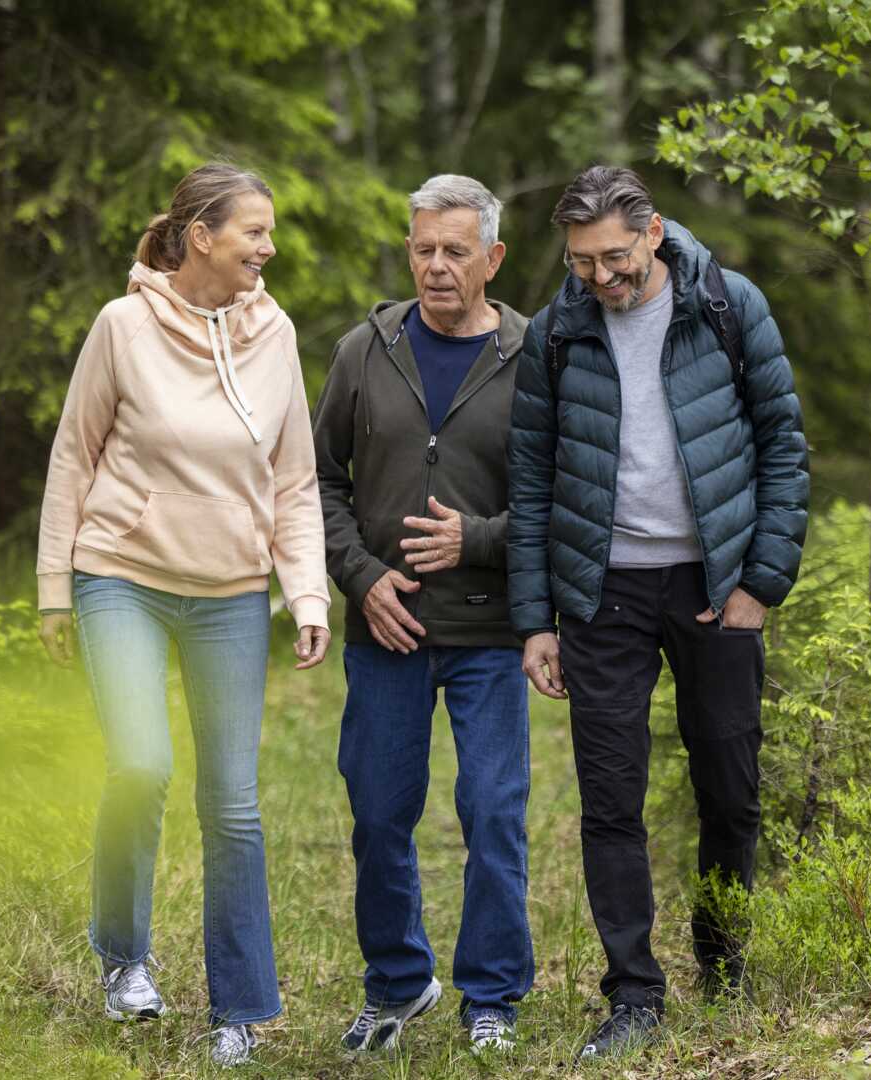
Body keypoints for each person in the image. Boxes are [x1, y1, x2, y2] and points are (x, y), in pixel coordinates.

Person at [506, 165, 809, 1060]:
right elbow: (529, 480)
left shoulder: (726, 303)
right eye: (582, 261)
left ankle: (725, 966)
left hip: (715, 587)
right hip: (601, 593)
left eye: (615, 258)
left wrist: (760, 584)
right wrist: (536, 619)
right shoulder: (558, 330)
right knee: (610, 798)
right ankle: (633, 994)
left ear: (654, 232)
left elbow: (783, 444)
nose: (602, 278)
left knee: (729, 788)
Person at [34, 162, 332, 1069]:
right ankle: (124, 958)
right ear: (200, 235)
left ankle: (237, 1011)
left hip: (231, 591)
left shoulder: (274, 332)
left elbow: (294, 479)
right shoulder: (123, 326)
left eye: (269, 233)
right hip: (120, 573)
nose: (268, 248)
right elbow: (73, 455)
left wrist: (308, 591)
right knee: (140, 764)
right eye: (253, 232)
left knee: (233, 806)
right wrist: (55, 586)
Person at [311, 175, 533, 1056]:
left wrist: (475, 541)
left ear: (493, 258)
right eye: (422, 249)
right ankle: (399, 985)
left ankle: (493, 997)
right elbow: (316, 481)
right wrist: (360, 577)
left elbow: (560, 498)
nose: (436, 267)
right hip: (387, 630)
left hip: (487, 631)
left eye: (455, 250)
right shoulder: (362, 353)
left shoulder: (537, 355)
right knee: (378, 811)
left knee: (491, 810)